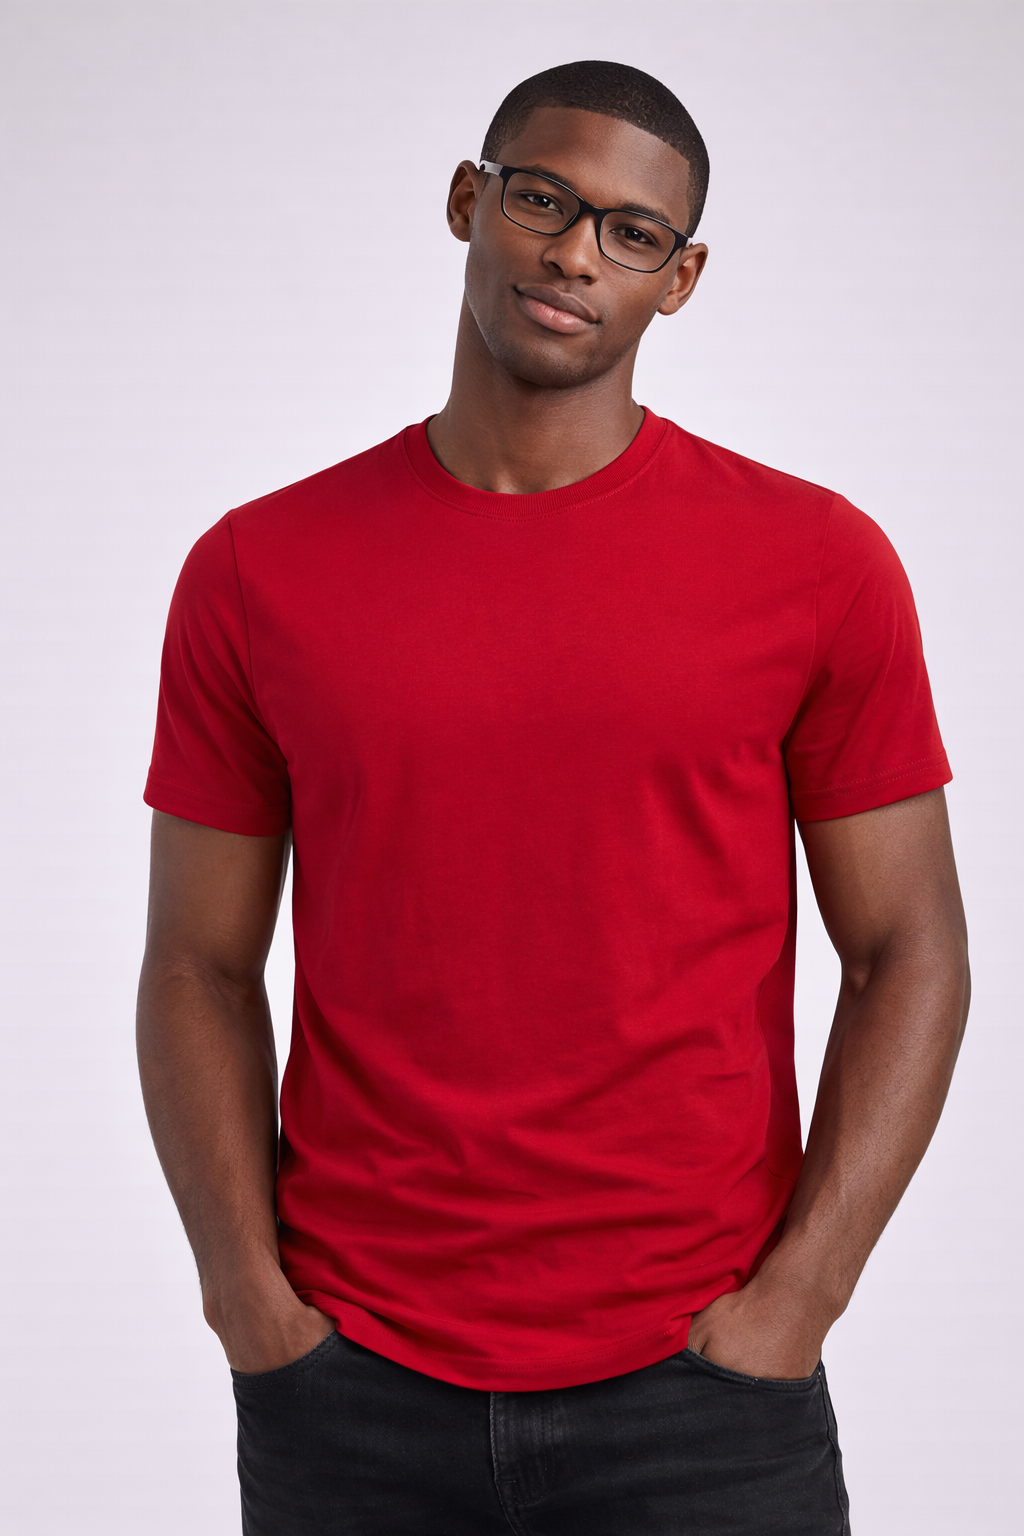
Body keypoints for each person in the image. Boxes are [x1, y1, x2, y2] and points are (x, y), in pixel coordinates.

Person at [137, 60, 969, 1536]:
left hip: (704, 1391)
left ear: (679, 279)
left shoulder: (818, 566)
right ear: (470, 201)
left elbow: (911, 951)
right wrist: (245, 1301)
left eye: (632, 232)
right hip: (351, 1384)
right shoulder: (259, 571)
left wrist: (798, 1304)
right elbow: (198, 961)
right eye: (543, 199)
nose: (577, 252)